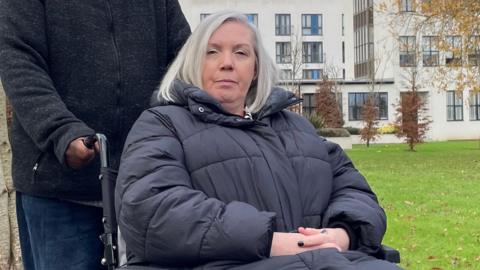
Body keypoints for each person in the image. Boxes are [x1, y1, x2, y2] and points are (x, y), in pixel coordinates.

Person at [115, 11, 401, 270]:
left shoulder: (297, 128)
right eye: (212, 52)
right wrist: (271, 241)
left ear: (255, 69)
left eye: (241, 53)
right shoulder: (162, 124)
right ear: (193, 62)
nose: (227, 63)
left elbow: (354, 190)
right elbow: (151, 211)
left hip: (328, 258)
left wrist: (343, 234)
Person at [0, 0, 190, 269]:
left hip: (147, 190)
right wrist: (60, 131)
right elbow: (18, 61)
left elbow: (185, 60)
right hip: (60, 192)